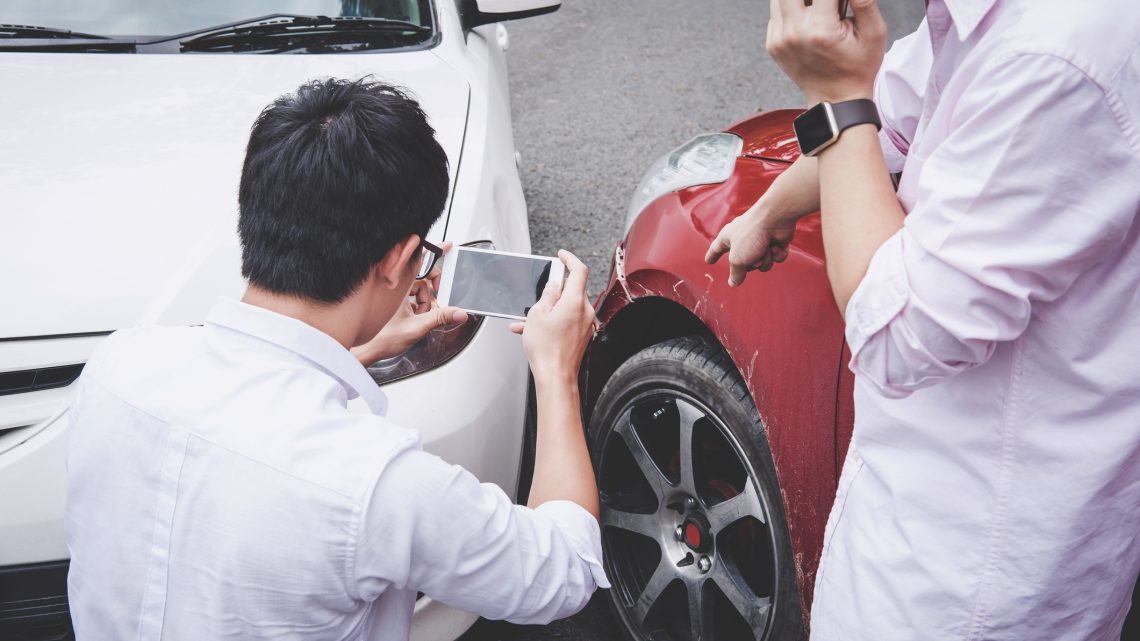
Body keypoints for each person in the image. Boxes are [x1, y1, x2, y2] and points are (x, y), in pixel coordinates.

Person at [64, 78, 606, 640]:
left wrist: (358, 348)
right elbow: (563, 573)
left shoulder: (116, 367)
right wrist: (554, 370)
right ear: (398, 260)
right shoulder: (380, 484)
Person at [706, 0, 1140, 638]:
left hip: (969, 570)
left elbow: (898, 338)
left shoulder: (1054, 53)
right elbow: (895, 114)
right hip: (940, 515)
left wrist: (834, 94)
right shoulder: (989, 21)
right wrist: (770, 209)